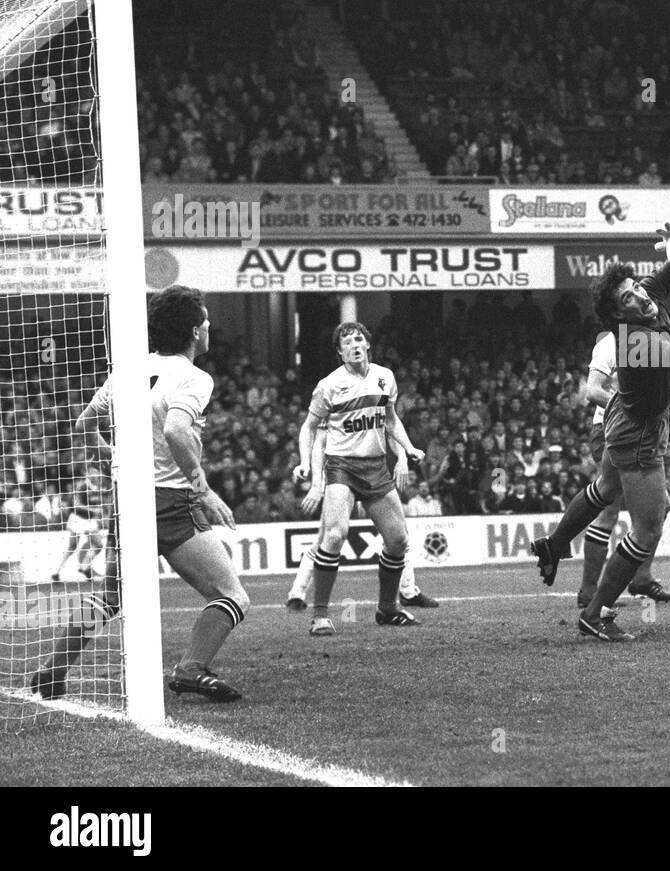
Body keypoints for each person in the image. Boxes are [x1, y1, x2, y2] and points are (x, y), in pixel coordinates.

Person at [32, 285, 249, 702]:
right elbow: (175, 430)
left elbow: (82, 425)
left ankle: (52, 671)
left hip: (127, 497)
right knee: (232, 596)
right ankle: (190, 669)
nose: (209, 326)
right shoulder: (193, 377)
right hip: (171, 500)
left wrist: (115, 459)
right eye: (205, 320)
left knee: (111, 595)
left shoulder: (129, 370)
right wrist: (203, 489)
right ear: (193, 331)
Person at [531, 220, 670, 640]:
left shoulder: (645, 299)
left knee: (604, 490)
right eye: (628, 295)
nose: (640, 293)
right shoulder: (631, 340)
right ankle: (596, 613)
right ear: (618, 314)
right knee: (649, 527)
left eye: (637, 286)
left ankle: (553, 544)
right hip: (637, 433)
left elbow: (668, 276)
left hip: (627, 420)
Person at [291, 321, 427, 636]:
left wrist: (408, 447)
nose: (354, 345)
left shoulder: (385, 378)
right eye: (347, 342)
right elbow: (309, 427)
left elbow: (391, 420)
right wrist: (304, 462)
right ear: (340, 352)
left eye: (358, 339)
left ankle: (388, 609)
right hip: (342, 467)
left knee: (398, 540)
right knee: (336, 535)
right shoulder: (329, 385)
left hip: (376, 466)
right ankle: (320, 615)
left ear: (367, 344)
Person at [285, 428, 439, 611]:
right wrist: (315, 479)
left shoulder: (376, 402)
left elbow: (390, 426)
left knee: (397, 536)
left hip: (373, 476)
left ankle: (408, 591)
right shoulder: (336, 401)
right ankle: (297, 593)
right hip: (341, 478)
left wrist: (403, 458)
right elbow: (319, 440)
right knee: (326, 538)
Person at [575, 328, 670, 611]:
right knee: (610, 510)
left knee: (660, 506)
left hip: (640, 432)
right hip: (611, 429)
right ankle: (595, 592)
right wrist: (630, 408)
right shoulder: (611, 343)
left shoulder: (656, 341)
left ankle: (631, 580)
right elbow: (592, 391)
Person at [52, 470, 110, 582]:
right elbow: (76, 505)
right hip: (77, 519)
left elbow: (101, 503)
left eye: (98, 473)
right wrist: (95, 509)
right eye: (94, 473)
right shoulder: (82, 486)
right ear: (88, 474)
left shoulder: (99, 486)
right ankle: (56, 572)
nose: (97, 475)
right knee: (72, 547)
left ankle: (84, 566)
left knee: (98, 544)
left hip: (89, 520)